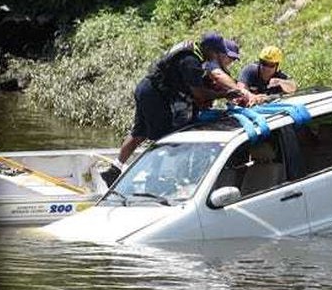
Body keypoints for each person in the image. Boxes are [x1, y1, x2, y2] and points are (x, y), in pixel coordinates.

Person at [100, 32, 255, 186]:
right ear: (211, 50)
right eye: (217, 53)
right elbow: (199, 94)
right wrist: (224, 94)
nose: (216, 58)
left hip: (146, 88)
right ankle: (153, 178)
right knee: (164, 136)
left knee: (139, 133)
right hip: (155, 96)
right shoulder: (190, 61)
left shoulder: (193, 51)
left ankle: (115, 168)